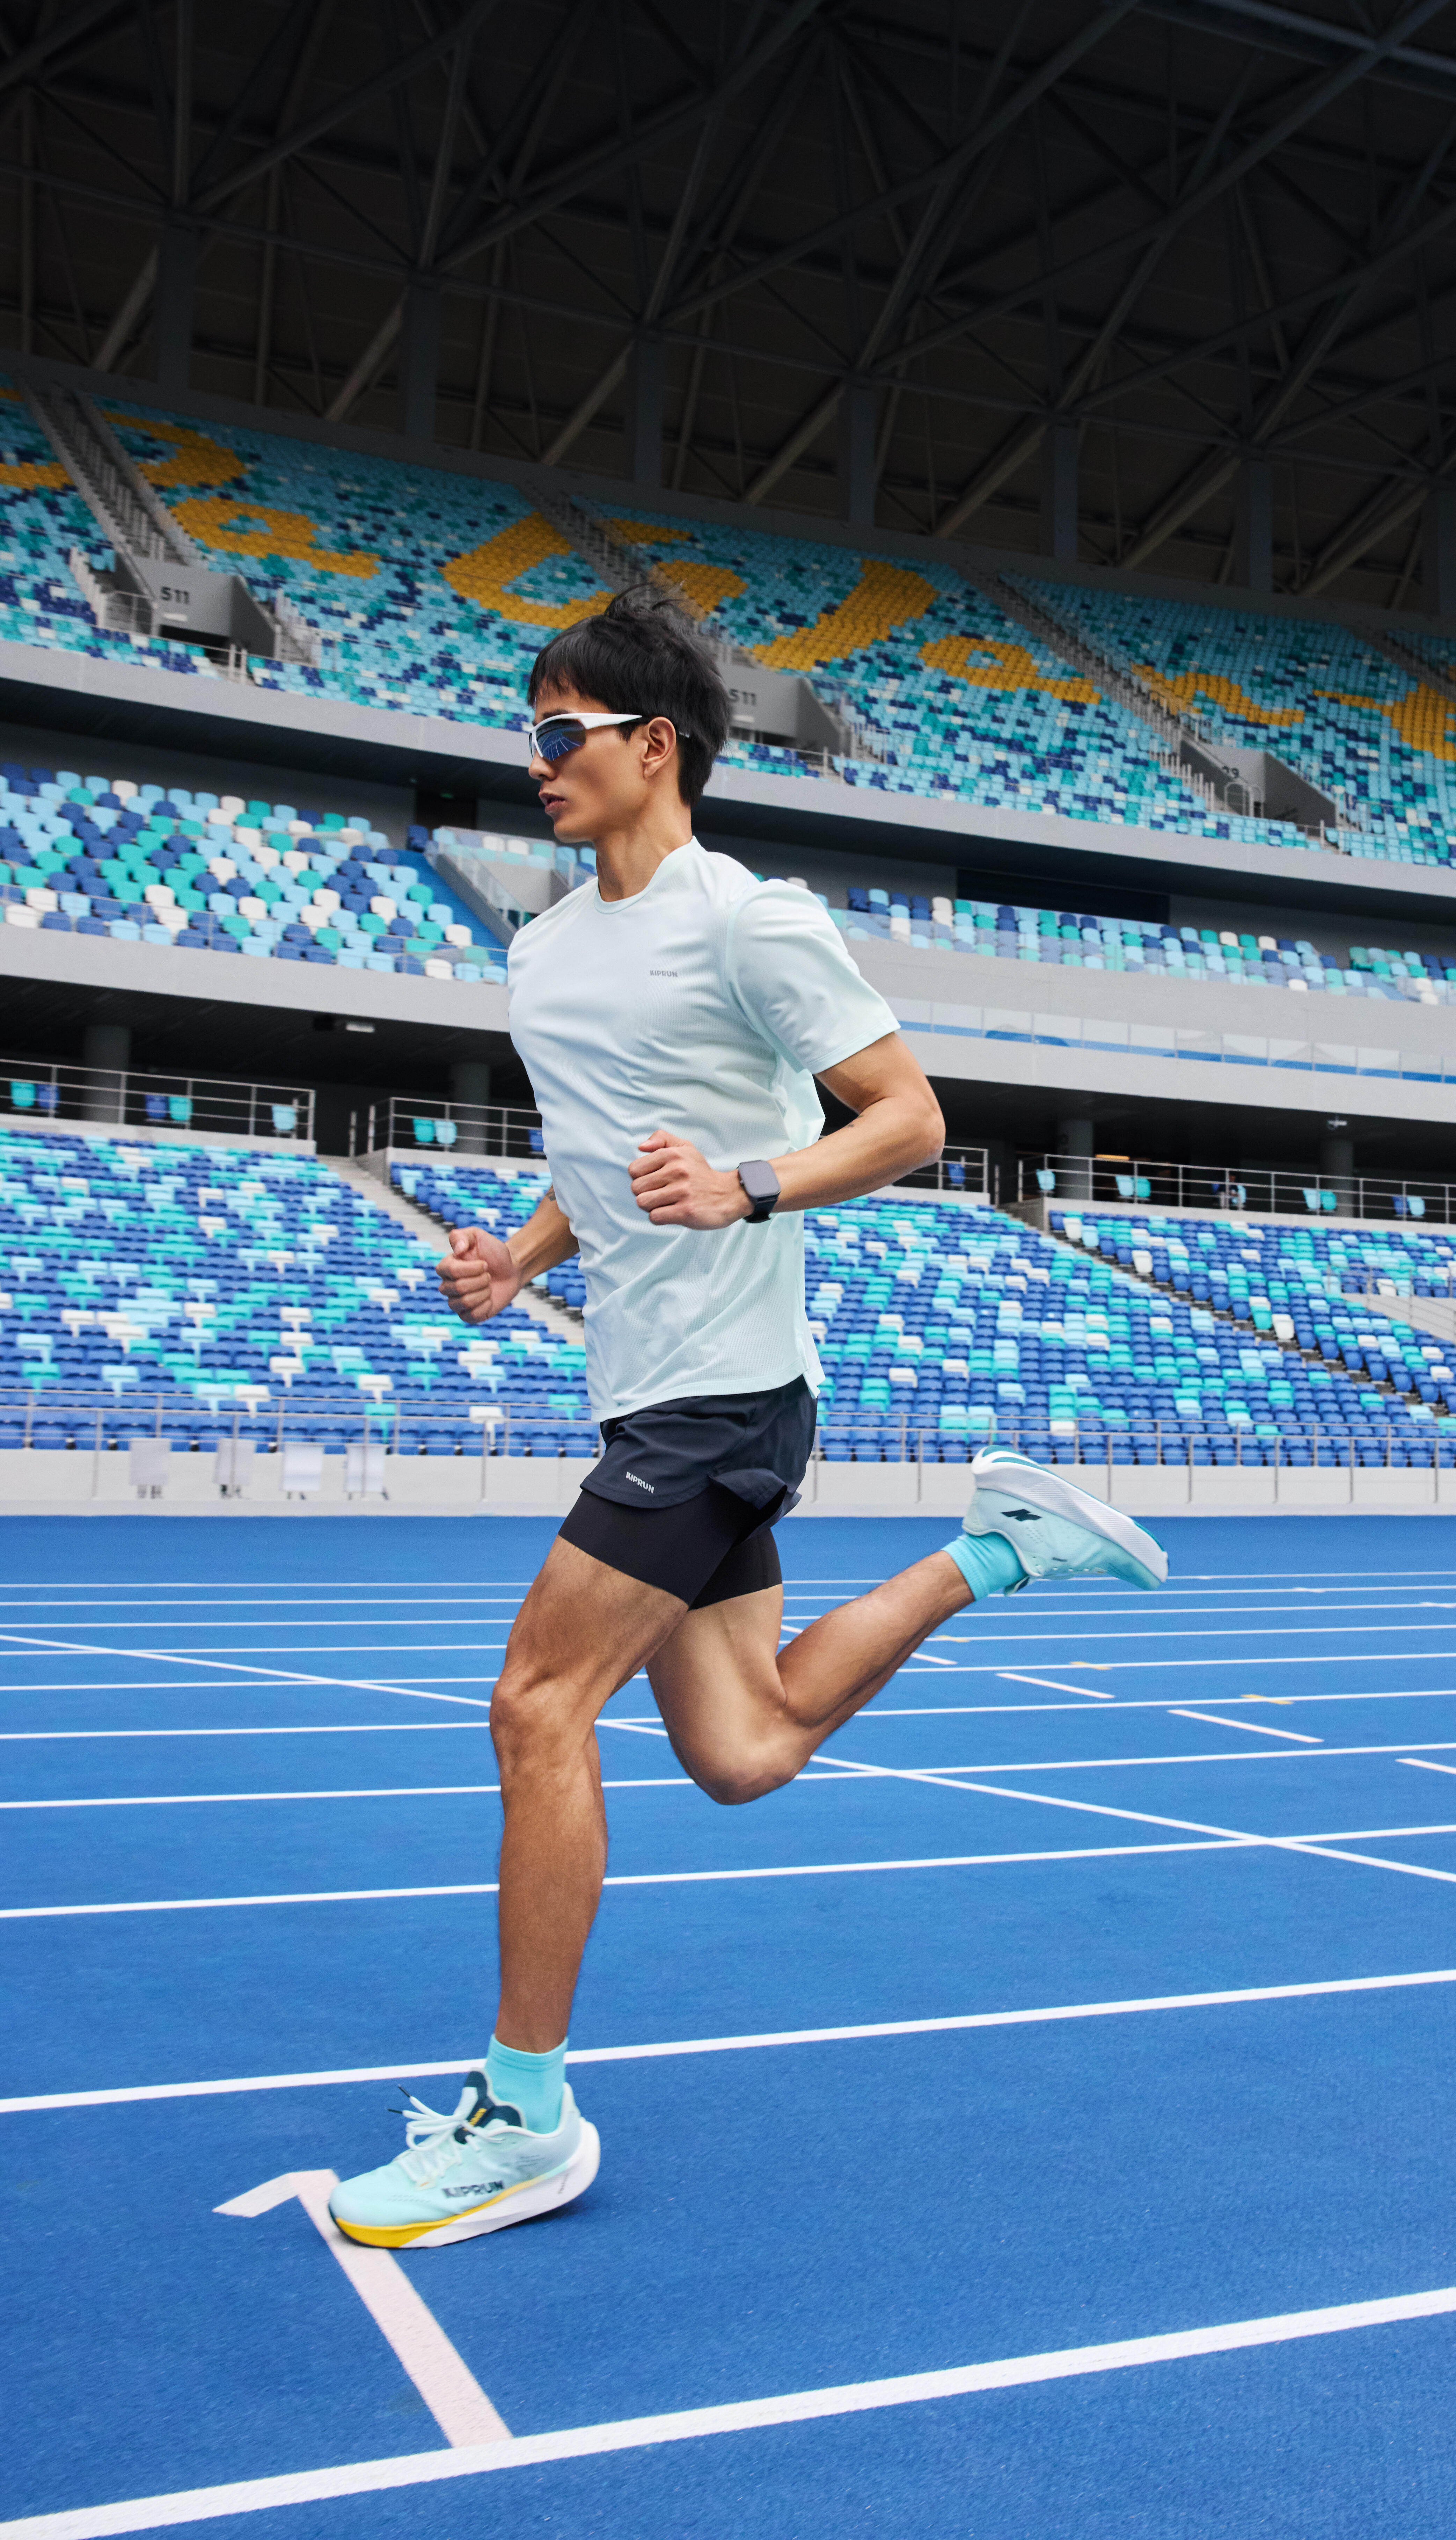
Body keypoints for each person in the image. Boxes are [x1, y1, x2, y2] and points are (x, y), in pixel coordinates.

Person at [328, 590, 1166, 2249]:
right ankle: (996, 1550)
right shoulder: (542, 948)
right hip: (642, 1379)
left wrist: (750, 1182)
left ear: (657, 747)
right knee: (746, 1748)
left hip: (723, 1393)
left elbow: (912, 1121)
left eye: (563, 732)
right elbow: (606, 1153)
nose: (538, 759)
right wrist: (525, 1251)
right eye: (530, 732)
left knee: (533, 1704)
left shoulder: (751, 921)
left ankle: (524, 2113)